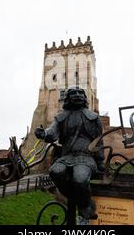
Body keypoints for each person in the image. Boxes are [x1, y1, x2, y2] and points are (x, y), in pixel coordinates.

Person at [35, 86, 104, 220]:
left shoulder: (94, 118)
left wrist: (100, 161)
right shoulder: (61, 117)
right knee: (55, 171)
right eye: (73, 93)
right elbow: (52, 132)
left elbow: (99, 140)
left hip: (85, 157)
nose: (77, 95)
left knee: (80, 179)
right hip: (67, 156)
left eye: (80, 93)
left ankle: (84, 205)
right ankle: (76, 197)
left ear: (84, 98)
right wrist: (44, 134)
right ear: (67, 98)